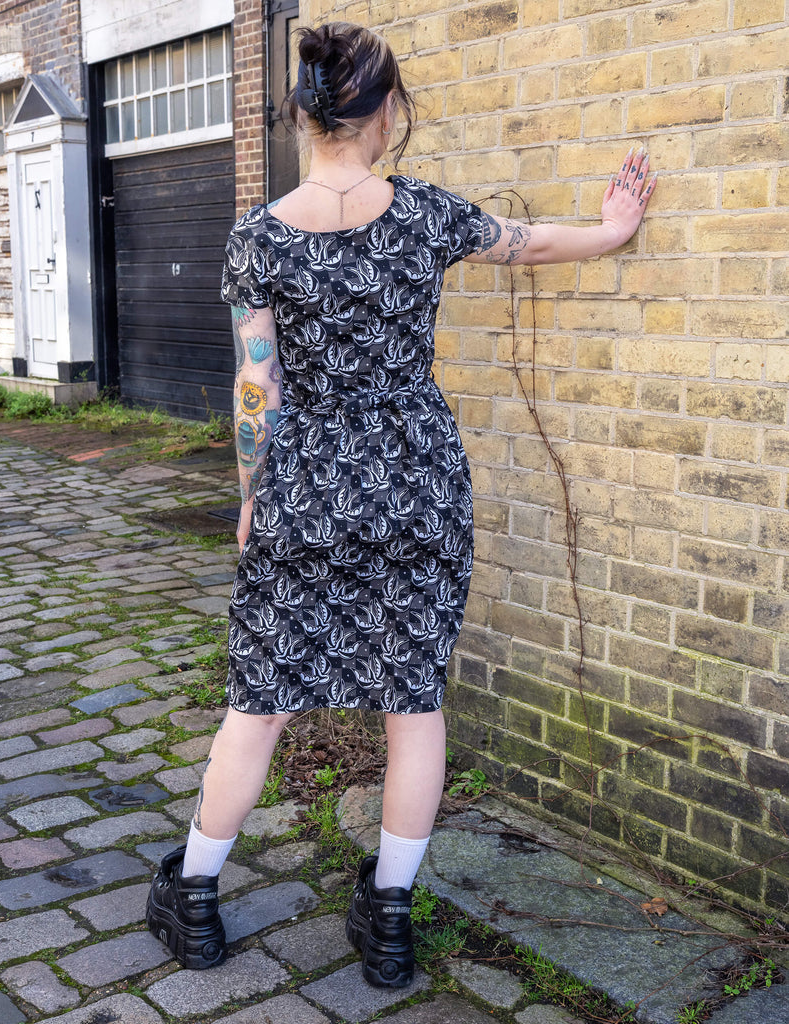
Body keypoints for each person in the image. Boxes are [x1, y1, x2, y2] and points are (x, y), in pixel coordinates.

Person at [146, 21, 656, 986]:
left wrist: (252, 499)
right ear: (386, 112)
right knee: (412, 704)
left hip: (306, 483)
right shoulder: (423, 214)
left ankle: (197, 898)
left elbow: (257, 386)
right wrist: (616, 228)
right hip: (418, 476)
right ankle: (387, 925)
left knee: (260, 704)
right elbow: (531, 242)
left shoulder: (260, 233)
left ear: (304, 114)